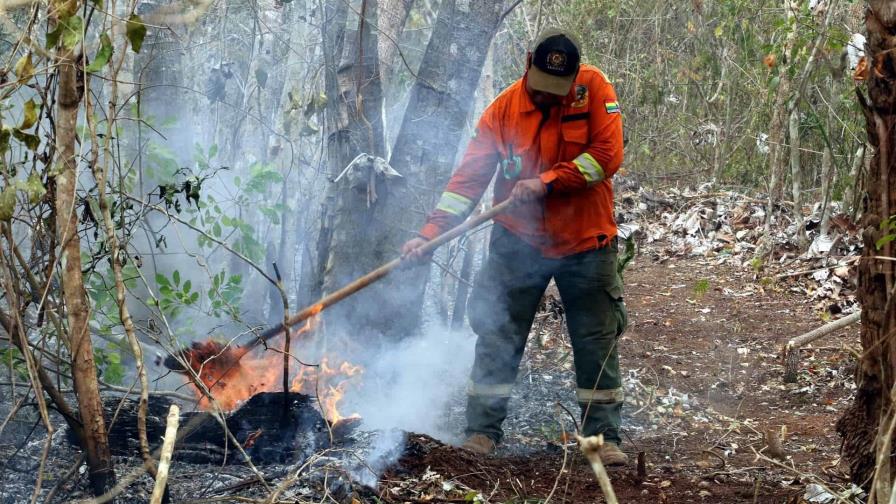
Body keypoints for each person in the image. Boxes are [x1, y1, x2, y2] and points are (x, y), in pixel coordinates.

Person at [401, 28, 629, 465]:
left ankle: (603, 439)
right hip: (518, 239)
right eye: (542, 86)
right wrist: (429, 234)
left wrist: (545, 182)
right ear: (528, 64)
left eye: (557, 90)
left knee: (596, 339)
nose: (548, 97)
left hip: (586, 240)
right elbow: (465, 184)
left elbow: (607, 155)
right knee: (497, 331)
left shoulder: (595, 90)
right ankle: (482, 432)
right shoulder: (502, 112)